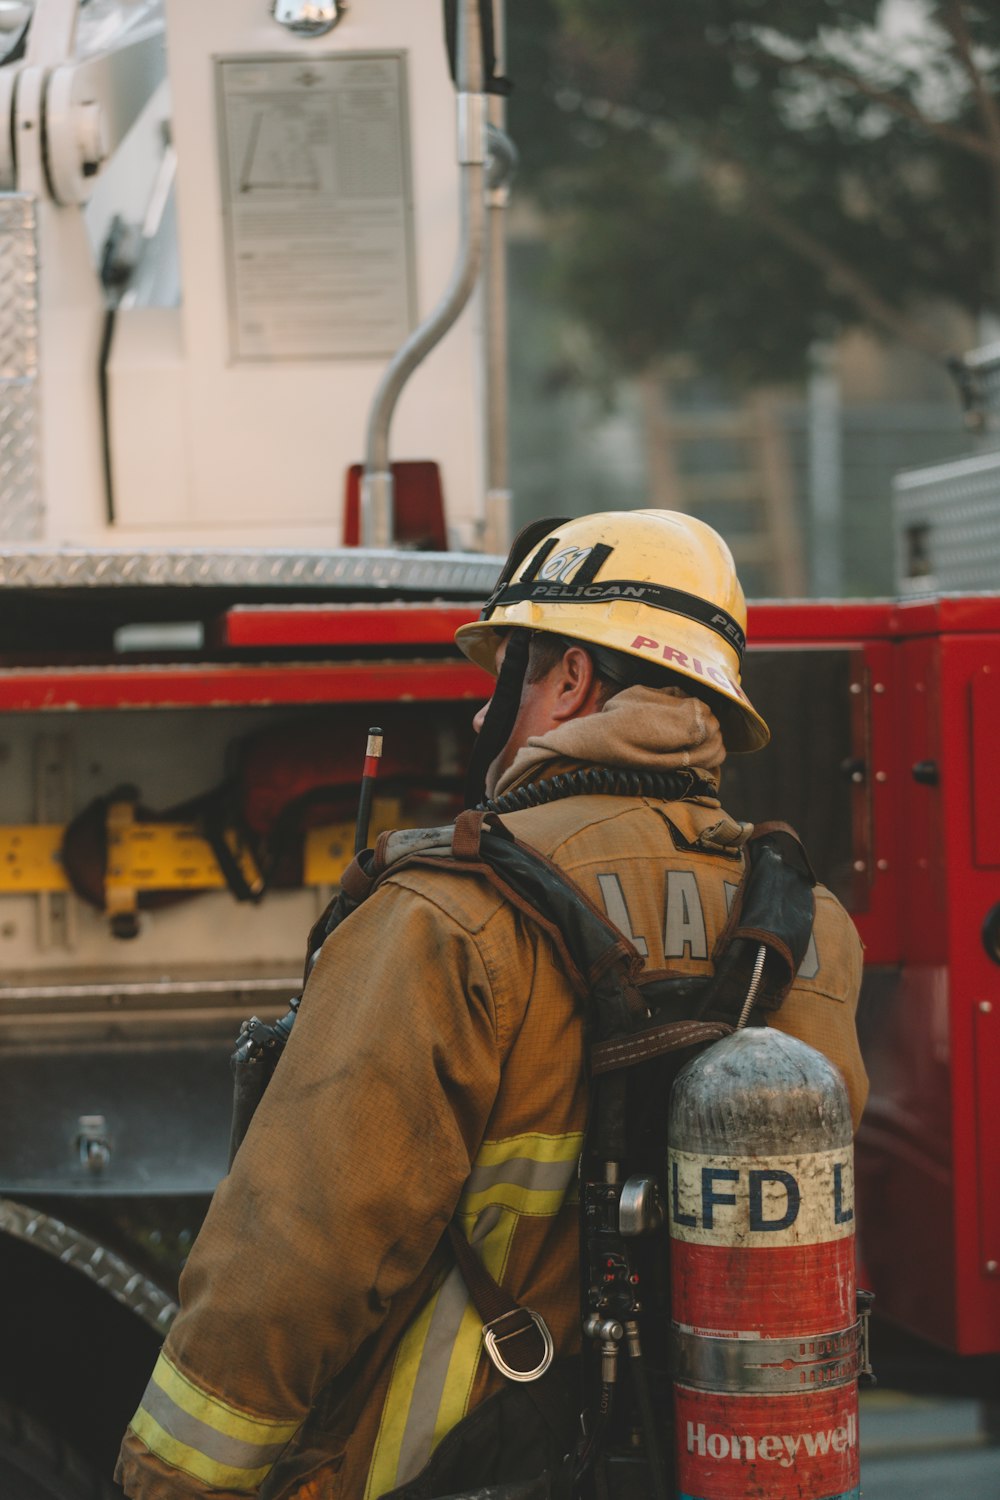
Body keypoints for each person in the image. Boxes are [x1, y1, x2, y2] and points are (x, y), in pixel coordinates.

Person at [116, 510, 867, 1500]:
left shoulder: (449, 913)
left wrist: (171, 1482)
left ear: (567, 678)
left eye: (504, 674)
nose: (480, 719)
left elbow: (295, 1256)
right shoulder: (804, 924)